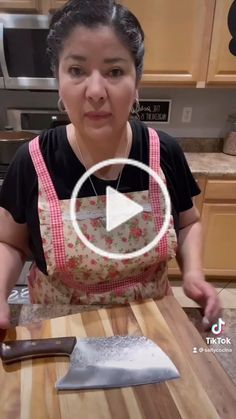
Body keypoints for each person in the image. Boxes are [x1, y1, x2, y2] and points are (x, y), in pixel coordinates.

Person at [0, 0, 221, 329]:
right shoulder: (32, 161)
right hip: (61, 328)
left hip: (151, 326)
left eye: (115, 71)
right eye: (77, 70)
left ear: (137, 81)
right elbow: (9, 242)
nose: (95, 91)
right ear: (58, 79)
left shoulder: (164, 153)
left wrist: (192, 274)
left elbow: (188, 223)